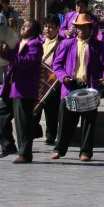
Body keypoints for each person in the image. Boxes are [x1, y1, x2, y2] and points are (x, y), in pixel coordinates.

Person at [51, 13, 104, 162]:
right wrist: (63, 76)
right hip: (70, 86)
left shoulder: (97, 45)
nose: (81, 30)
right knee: (65, 120)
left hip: (89, 87)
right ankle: (59, 149)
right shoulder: (66, 44)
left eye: (84, 27)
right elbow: (56, 64)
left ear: (90, 28)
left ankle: (86, 152)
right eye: (78, 27)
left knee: (88, 121)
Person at [0, 19, 43, 164]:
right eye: (24, 25)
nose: (23, 27)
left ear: (34, 31)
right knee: (0, 115)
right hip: (11, 86)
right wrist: (1, 51)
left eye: (27, 26)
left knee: (23, 122)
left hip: (24, 88)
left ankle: (25, 154)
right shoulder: (18, 43)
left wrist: (9, 53)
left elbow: (25, 62)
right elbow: (9, 58)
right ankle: (8, 145)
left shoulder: (36, 45)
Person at [37, 14, 63, 147]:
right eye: (46, 26)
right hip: (39, 78)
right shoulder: (40, 41)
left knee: (51, 110)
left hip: (53, 81)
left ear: (58, 28)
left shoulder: (61, 43)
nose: (47, 29)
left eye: (51, 27)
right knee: (35, 107)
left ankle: (50, 135)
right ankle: (34, 131)